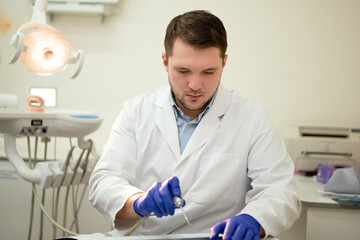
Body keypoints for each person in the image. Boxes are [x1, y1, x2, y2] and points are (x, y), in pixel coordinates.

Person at [89, 10, 301, 240]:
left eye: (209, 72)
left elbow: (280, 190)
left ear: (224, 63)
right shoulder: (136, 112)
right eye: (183, 71)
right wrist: (138, 201)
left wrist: (254, 219)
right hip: (147, 236)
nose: (195, 85)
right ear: (165, 61)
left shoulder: (252, 117)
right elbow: (104, 182)